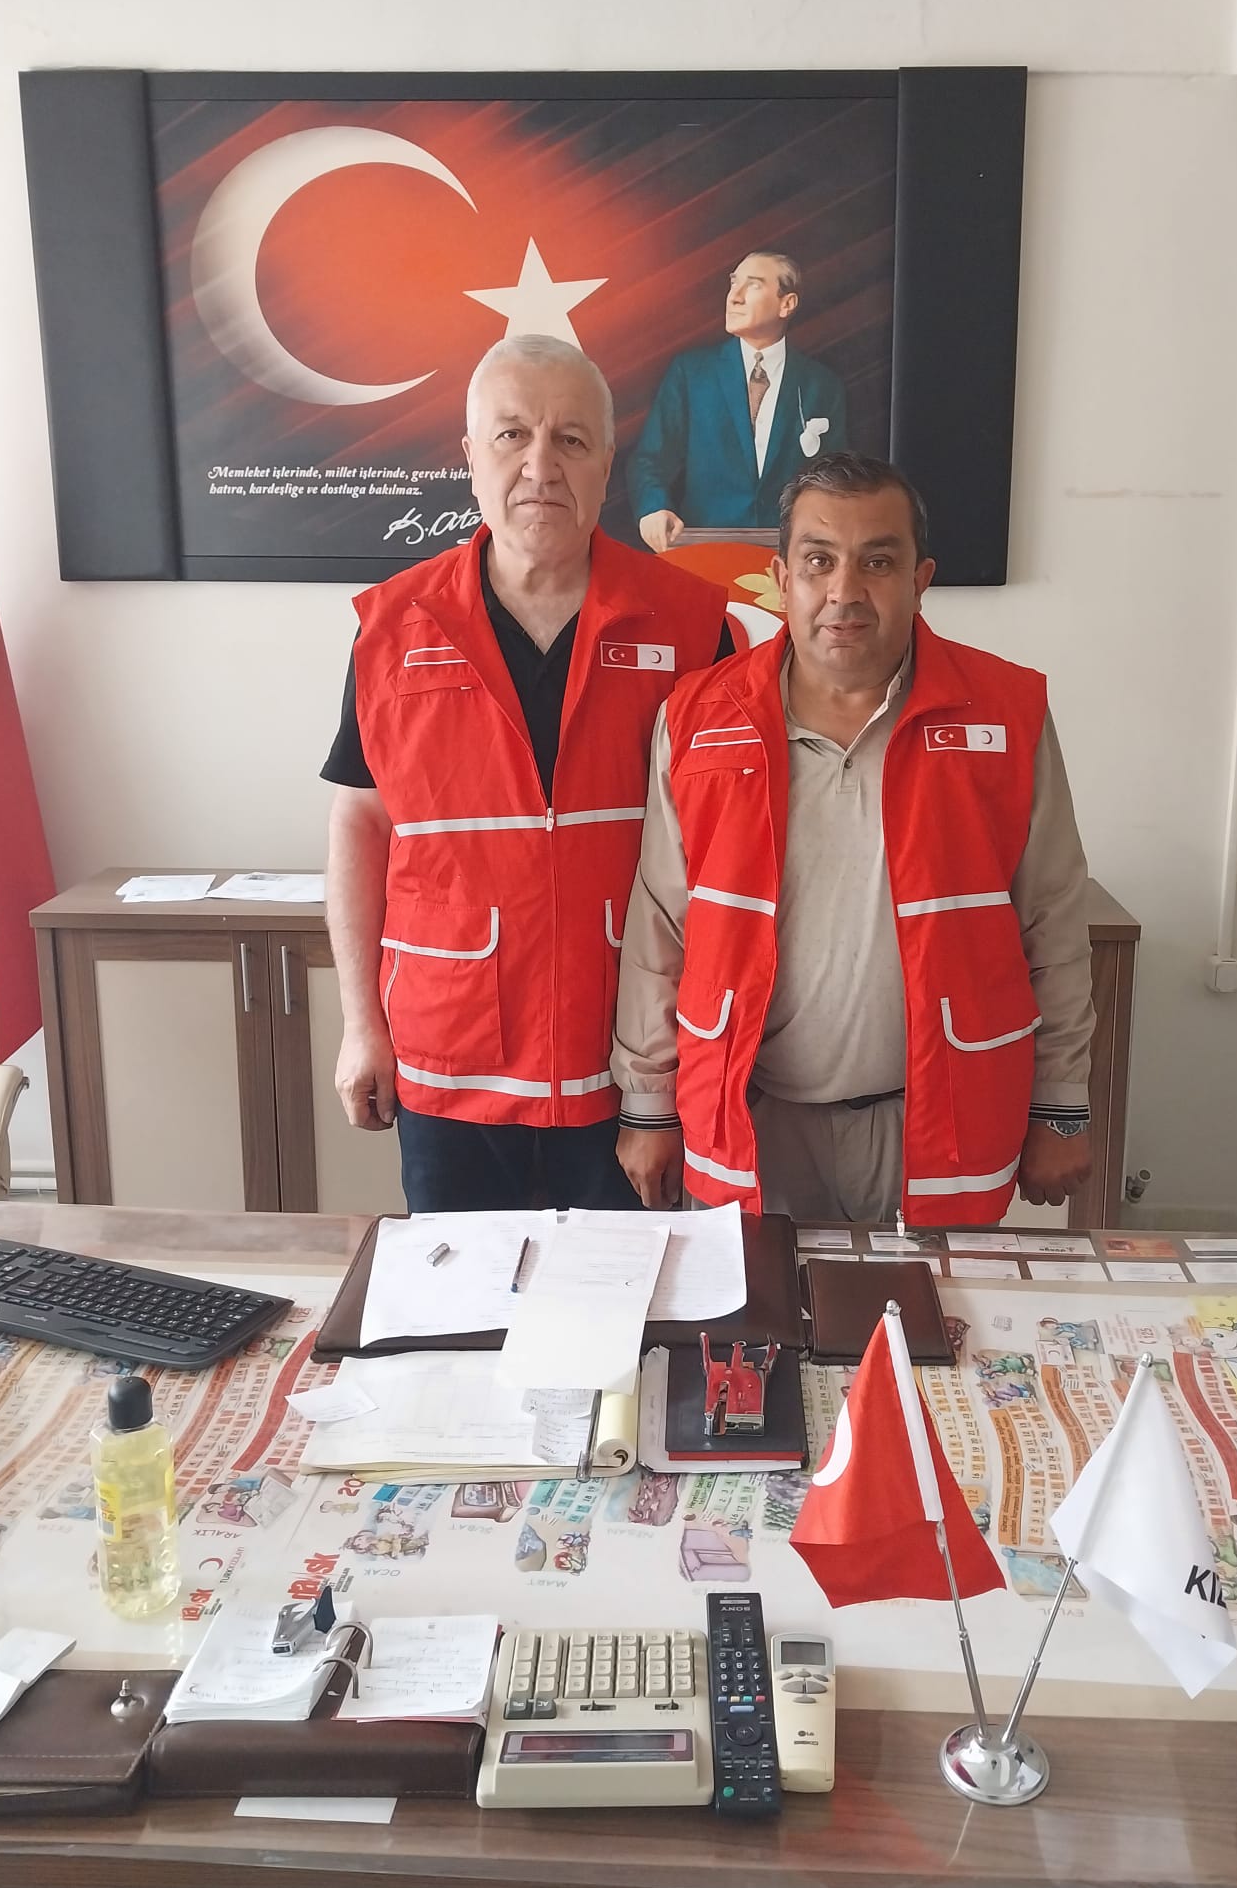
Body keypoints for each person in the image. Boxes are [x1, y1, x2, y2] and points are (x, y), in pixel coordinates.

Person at [611, 451, 1095, 1228]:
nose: (844, 591)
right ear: (781, 579)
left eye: (878, 561)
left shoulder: (1005, 715)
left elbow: (1054, 922)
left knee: (935, 1311)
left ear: (920, 578)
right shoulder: (697, 717)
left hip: (937, 1120)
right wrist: (647, 1104)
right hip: (752, 1120)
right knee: (757, 1309)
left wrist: (1060, 1105)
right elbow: (659, 927)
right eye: (818, 561)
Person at [321, 334, 729, 1213]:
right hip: (448, 1065)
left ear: (607, 465)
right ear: (471, 457)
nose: (541, 465)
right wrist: (360, 1025)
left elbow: (735, 856)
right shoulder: (391, 629)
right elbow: (361, 825)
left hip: (632, 1071)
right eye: (512, 435)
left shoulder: (695, 629)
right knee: (462, 1295)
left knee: (630, 1295)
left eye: (571, 439)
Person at [628, 251, 849, 551]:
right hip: (706, 554)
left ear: (787, 304)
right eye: (733, 283)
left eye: (753, 285)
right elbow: (650, 460)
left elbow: (835, 481)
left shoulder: (822, 385)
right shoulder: (692, 373)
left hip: (790, 557)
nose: (734, 297)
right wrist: (653, 509)